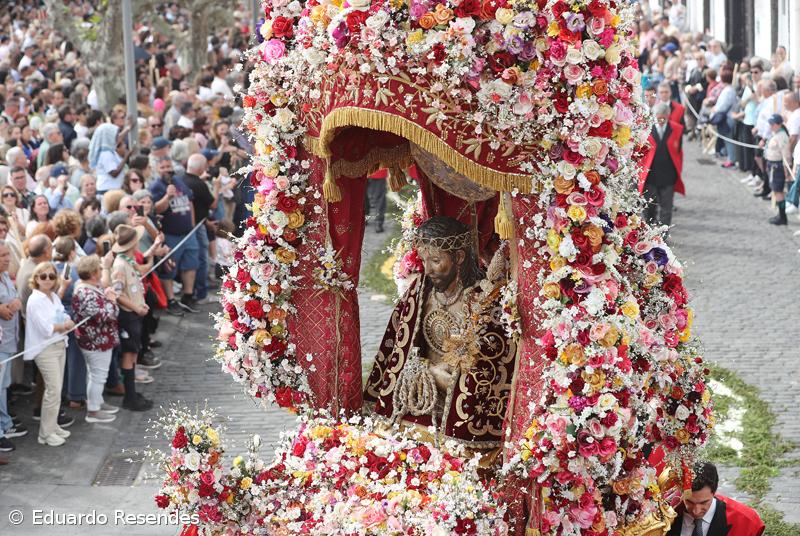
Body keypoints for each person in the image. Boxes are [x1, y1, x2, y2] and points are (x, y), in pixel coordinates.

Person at [364, 216, 516, 451]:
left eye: (436, 260)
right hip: (417, 397)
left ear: (459, 257)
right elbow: (398, 349)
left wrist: (440, 378)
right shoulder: (420, 291)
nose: (428, 269)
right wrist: (429, 372)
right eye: (424, 260)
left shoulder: (483, 301)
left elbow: (485, 370)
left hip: (461, 408)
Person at [25, 261, 74, 446]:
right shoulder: (35, 300)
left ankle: (52, 427)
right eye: (43, 276)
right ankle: (45, 434)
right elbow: (46, 329)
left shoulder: (53, 296)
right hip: (45, 349)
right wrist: (64, 325)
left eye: (51, 276)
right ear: (36, 279)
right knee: (53, 390)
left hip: (59, 345)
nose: (47, 279)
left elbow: (62, 314)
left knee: (56, 389)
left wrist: (65, 322)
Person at [72, 254, 119, 423]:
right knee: (99, 375)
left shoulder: (86, 287)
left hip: (96, 339)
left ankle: (97, 402)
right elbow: (107, 315)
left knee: (94, 374)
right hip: (96, 341)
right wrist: (112, 301)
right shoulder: (86, 292)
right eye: (99, 269)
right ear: (93, 273)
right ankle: (93, 411)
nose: (101, 271)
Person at [149, 157, 199, 314]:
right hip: (170, 234)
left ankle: (188, 296)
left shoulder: (179, 181)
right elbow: (155, 209)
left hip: (188, 233)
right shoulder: (156, 186)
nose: (166, 169)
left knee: (191, 264)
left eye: (168, 166)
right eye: (162, 167)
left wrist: (192, 225)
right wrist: (167, 197)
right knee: (168, 268)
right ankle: (170, 300)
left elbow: (190, 201)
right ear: (157, 169)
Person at [110, 224, 153, 411]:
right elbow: (117, 294)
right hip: (128, 315)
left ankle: (132, 392)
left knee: (134, 352)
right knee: (129, 353)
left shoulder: (127, 261)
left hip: (135, 313)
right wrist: (136, 307)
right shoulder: (120, 265)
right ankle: (129, 397)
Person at [667, 461, 764, 536]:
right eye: (689, 502)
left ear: (715, 491)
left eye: (704, 502)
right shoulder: (662, 513)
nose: (696, 511)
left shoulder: (746, 522)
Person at [639, 102, 685, 230]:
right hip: (650, 176)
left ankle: (663, 235)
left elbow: (678, 152)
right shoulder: (646, 130)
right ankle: (650, 233)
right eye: (657, 118)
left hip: (668, 176)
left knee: (666, 209)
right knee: (649, 208)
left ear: (668, 116)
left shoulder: (677, 130)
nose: (660, 121)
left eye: (663, 118)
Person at [181, 154, 220, 303]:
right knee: (202, 259)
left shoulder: (182, 180)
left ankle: (196, 290)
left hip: (195, 224)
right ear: (202, 168)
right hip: (197, 227)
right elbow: (213, 204)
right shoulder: (199, 184)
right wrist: (217, 187)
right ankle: (201, 293)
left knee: (193, 259)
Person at [0, 240, 27, 455]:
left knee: (4, 386)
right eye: (2, 255)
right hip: (1, 343)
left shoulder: (5, 277)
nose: (7, 259)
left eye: (8, 254)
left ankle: (5, 422)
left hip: (9, 340)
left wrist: (15, 302)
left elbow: (13, 299)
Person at [763, 114, 791, 225]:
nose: (770, 126)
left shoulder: (782, 136)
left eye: (773, 124)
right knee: (775, 190)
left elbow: (786, 155)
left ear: (779, 124)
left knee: (778, 191)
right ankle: (780, 214)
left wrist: (787, 171)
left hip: (777, 166)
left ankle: (782, 217)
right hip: (772, 164)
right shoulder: (775, 134)